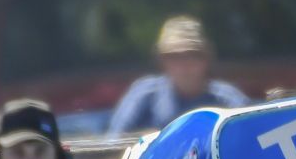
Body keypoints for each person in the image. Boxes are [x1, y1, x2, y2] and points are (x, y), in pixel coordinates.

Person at [106, 16, 248, 136]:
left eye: (193, 55)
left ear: (206, 59)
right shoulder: (144, 94)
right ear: (162, 61)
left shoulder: (227, 98)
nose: (184, 64)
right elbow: (114, 143)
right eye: (174, 57)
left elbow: (253, 138)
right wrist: (150, 140)